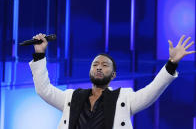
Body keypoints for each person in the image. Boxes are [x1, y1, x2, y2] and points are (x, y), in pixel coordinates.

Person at [29, 33, 195, 129]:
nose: (99, 67)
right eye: (95, 64)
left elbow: (153, 90)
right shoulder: (71, 97)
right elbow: (44, 90)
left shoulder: (124, 98)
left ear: (113, 75)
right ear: (90, 71)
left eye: (104, 65)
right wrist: (39, 53)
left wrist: (172, 63)